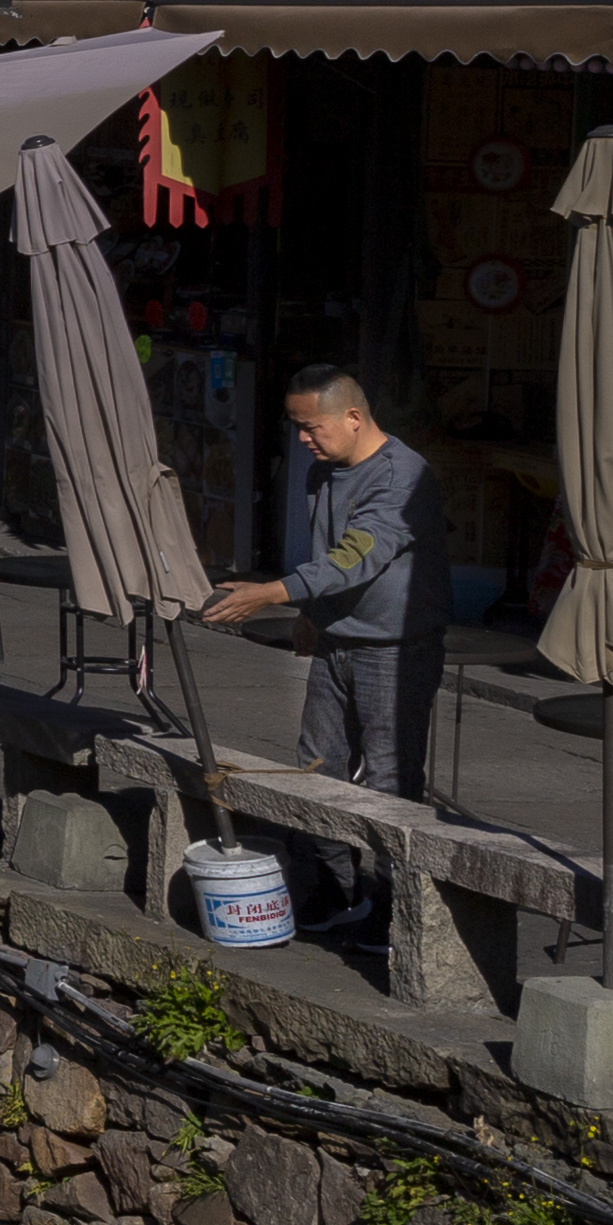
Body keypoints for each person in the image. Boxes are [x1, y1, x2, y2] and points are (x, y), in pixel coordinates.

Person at [202, 362, 434, 942]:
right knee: (315, 766)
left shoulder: (403, 477)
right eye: (296, 427)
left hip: (395, 648)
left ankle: (390, 906)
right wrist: (310, 615)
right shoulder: (322, 471)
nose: (302, 440)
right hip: (336, 640)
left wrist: (274, 594)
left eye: (312, 427)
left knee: (389, 778)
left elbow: (358, 553)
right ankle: (334, 887)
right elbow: (325, 548)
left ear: (353, 418)